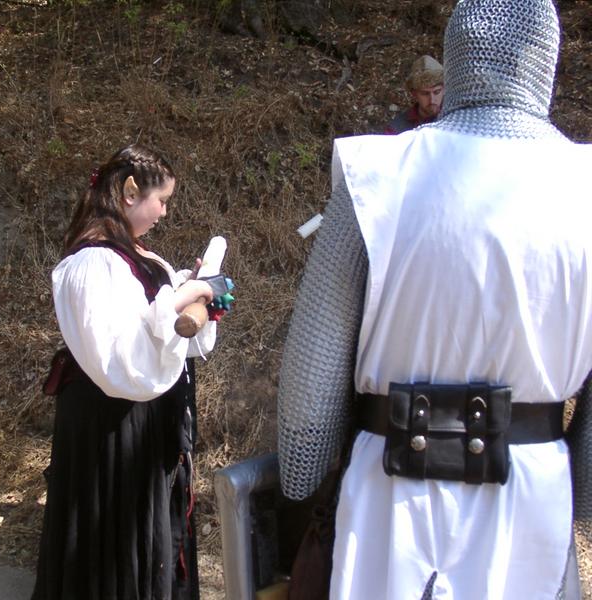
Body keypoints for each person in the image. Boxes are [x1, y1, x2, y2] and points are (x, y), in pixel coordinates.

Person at [278, 0, 592, 598]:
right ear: (545, 61)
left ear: (457, 57)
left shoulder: (379, 175)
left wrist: (302, 483)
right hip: (524, 495)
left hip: (389, 497)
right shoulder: (585, 186)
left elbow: (312, 368)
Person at [32, 144, 220, 600]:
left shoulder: (127, 254)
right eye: (162, 200)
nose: (165, 212)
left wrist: (186, 290)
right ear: (131, 192)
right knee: (112, 544)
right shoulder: (93, 263)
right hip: (111, 424)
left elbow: (146, 319)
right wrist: (180, 297)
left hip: (137, 417)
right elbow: (122, 356)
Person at [385, 55, 444, 134]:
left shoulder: (455, 118)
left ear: (444, 90)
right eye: (425, 93)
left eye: (437, 92)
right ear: (414, 94)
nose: (432, 100)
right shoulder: (397, 128)